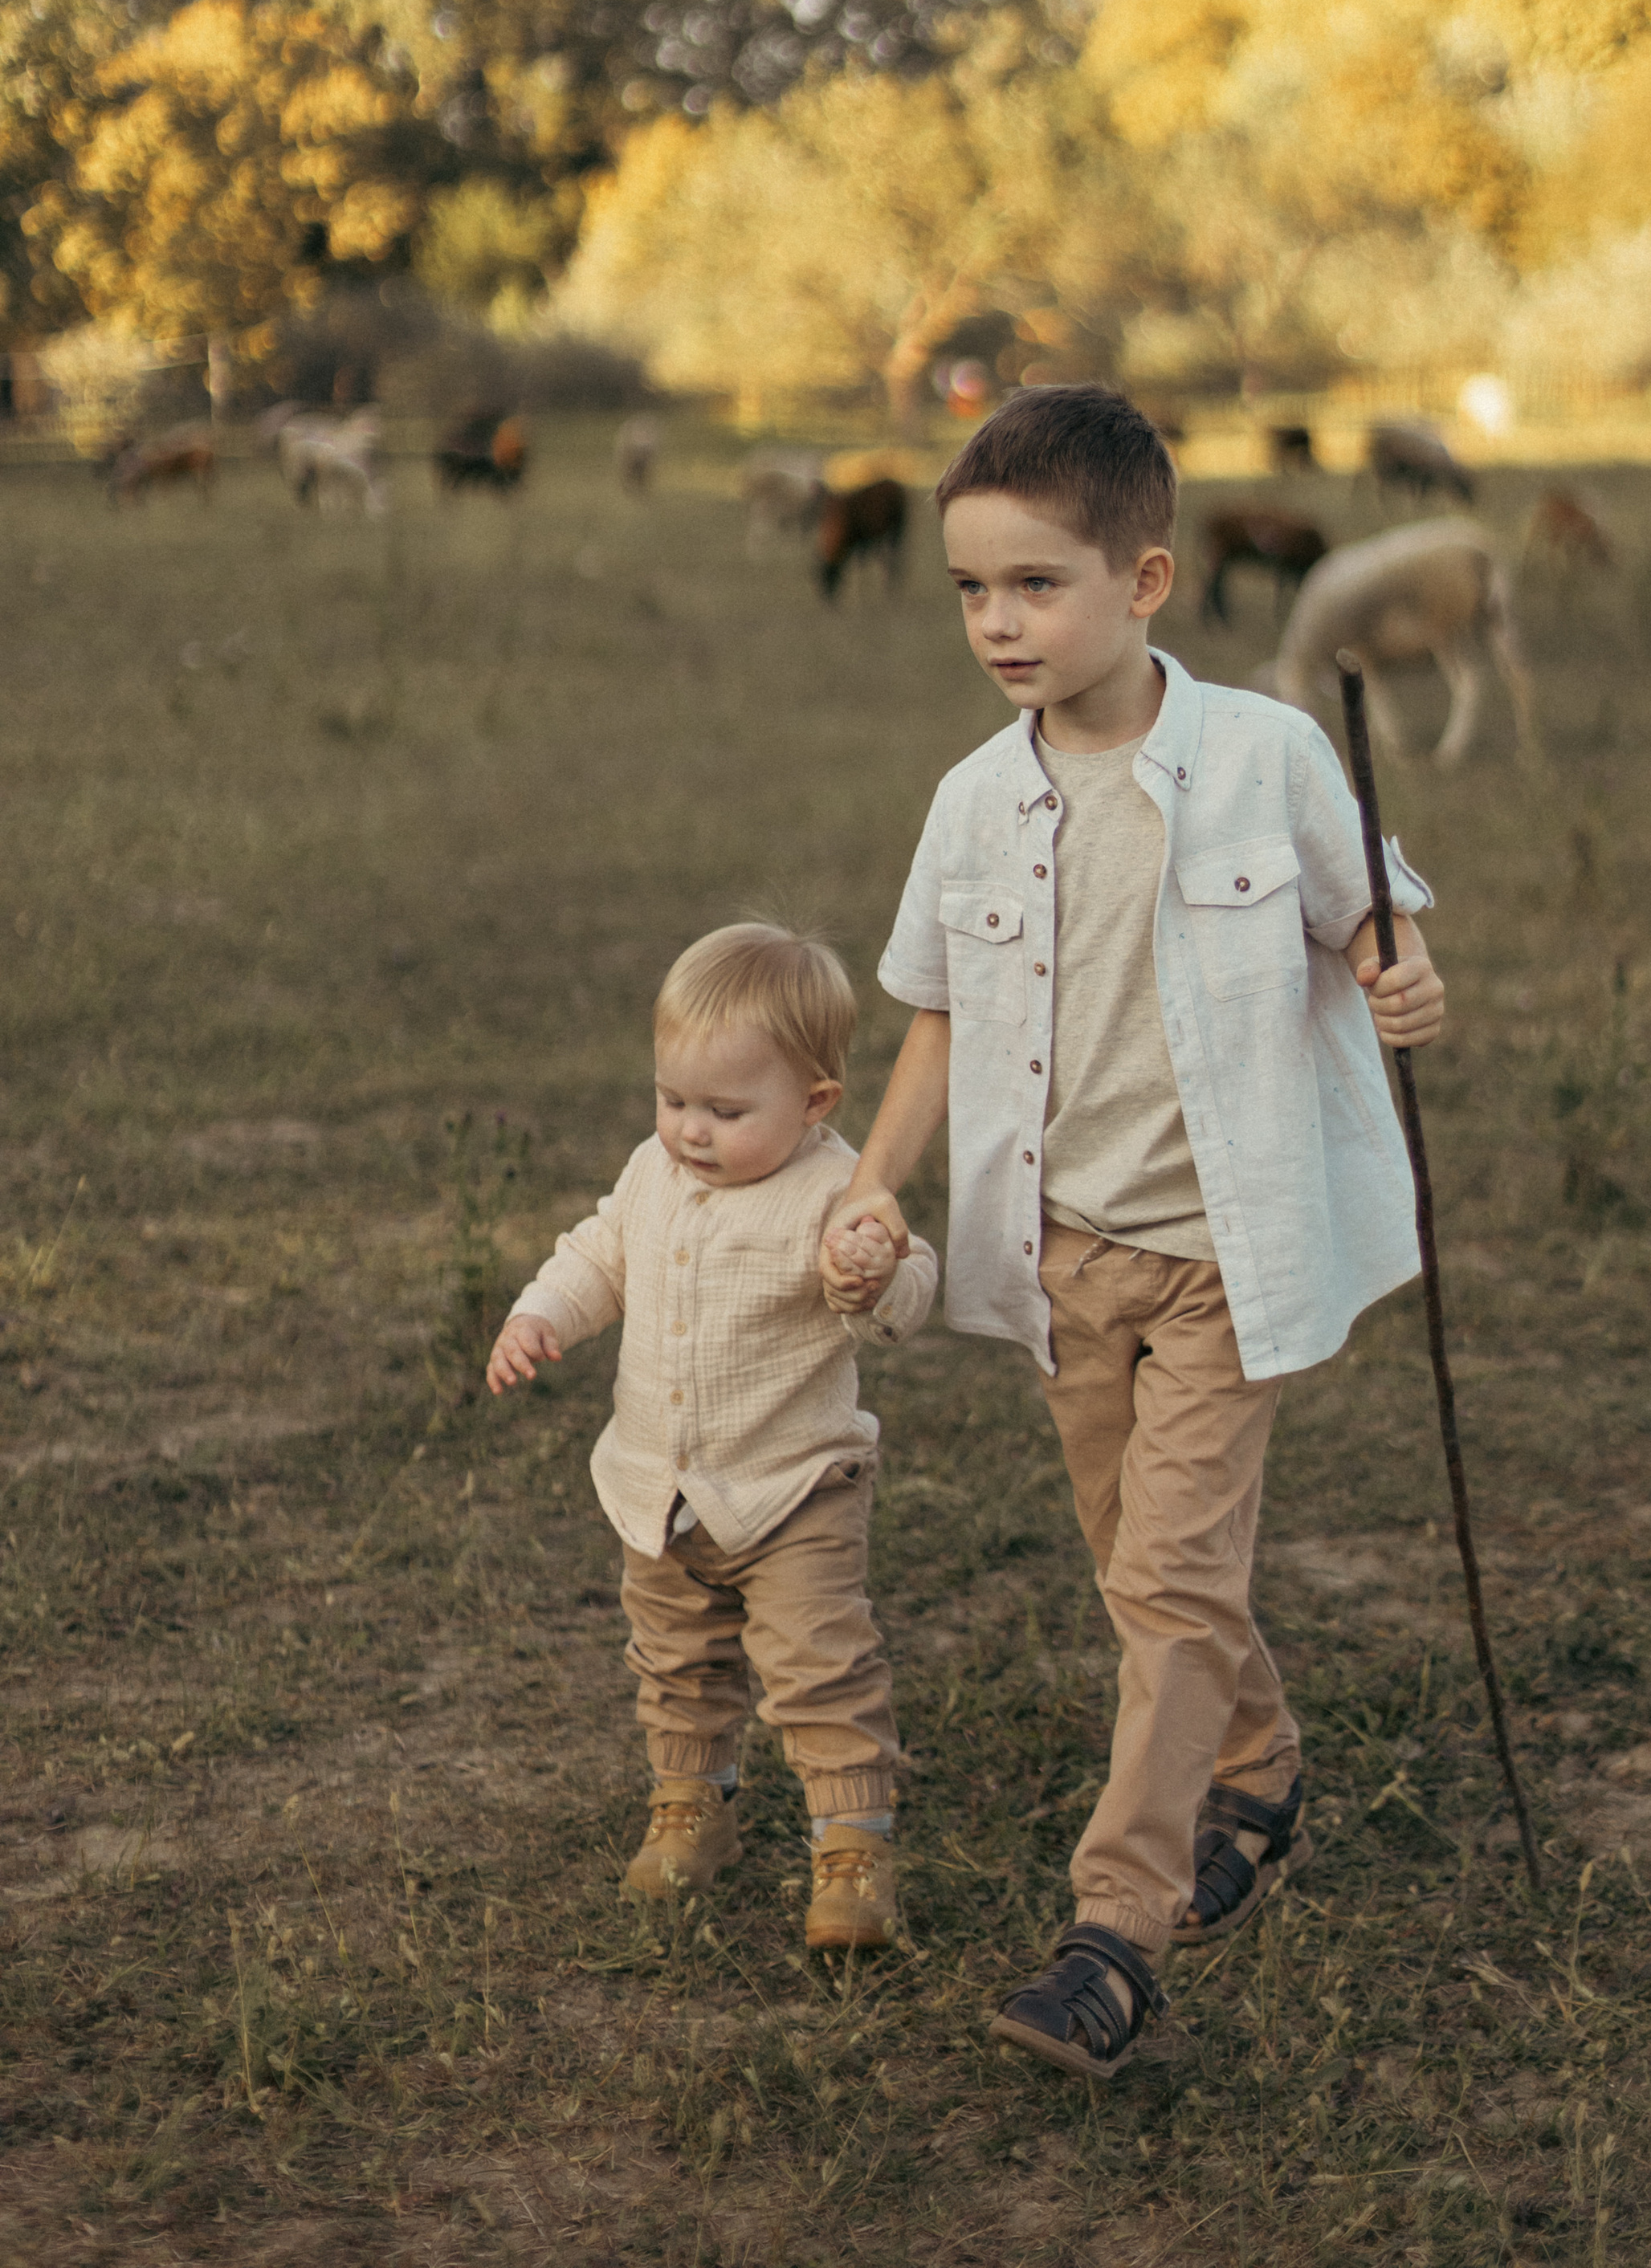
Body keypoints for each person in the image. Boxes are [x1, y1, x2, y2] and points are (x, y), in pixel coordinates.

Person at [821, 385, 1445, 2078]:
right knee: (1136, 1571)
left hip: (1228, 1254)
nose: (998, 624)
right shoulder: (971, 803)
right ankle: (1259, 1767)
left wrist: (1401, 978)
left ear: (1144, 579)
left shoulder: (1264, 757)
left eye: (1035, 585)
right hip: (1062, 1259)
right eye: (969, 591)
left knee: (1167, 1584)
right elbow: (938, 1015)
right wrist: (873, 1183)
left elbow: (1369, 924)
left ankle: (1114, 1933)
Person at [488, 923, 936, 1951]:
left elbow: (907, 1288)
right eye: (673, 1099)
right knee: (676, 1660)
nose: (690, 1129)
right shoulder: (655, 1169)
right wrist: (540, 1315)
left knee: (820, 1667)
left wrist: (873, 1276)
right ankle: (695, 1808)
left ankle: (852, 1847)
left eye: (726, 1111)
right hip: (662, 1490)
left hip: (795, 1490)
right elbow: (600, 1253)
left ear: (815, 1102)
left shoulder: (837, 1193)